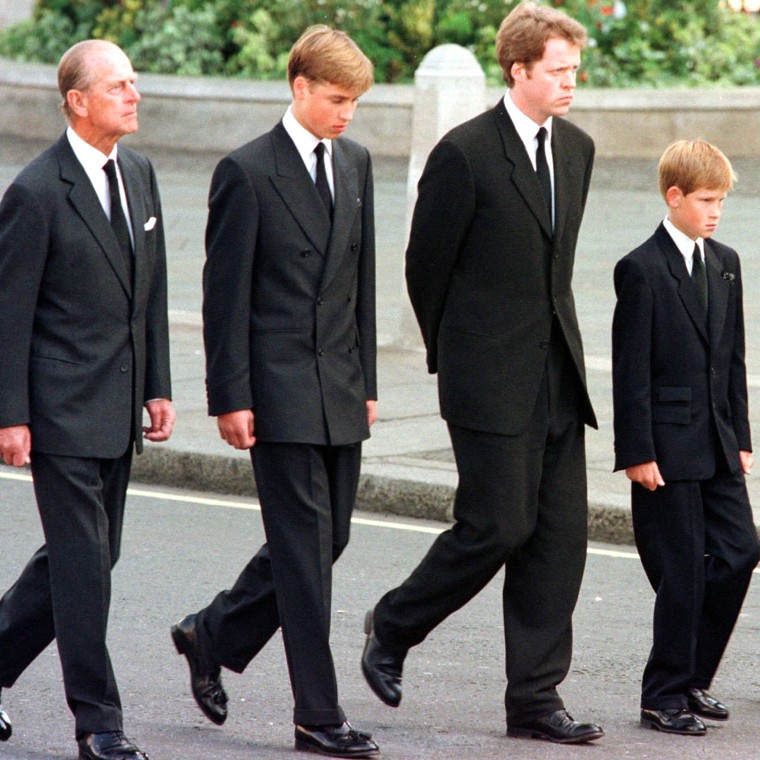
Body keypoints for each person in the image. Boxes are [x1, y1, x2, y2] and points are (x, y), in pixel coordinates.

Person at [361, 0, 603, 746]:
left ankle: (534, 701)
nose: (571, 82)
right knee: (497, 524)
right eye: (557, 70)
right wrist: (457, 355)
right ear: (519, 69)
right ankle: (393, 624)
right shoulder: (465, 153)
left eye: (574, 69)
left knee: (560, 539)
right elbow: (423, 267)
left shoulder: (578, 150)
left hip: (556, 374)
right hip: (485, 378)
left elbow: (549, 269)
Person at [170, 25, 379, 759]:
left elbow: (362, 282)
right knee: (301, 554)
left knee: (332, 538)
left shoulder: (356, 163)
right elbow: (222, 297)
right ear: (298, 87)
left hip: (341, 388)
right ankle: (316, 716)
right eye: (334, 98)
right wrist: (229, 395)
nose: (345, 112)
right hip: (277, 389)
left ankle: (213, 632)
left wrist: (371, 385)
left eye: (353, 100)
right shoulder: (247, 170)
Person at [0, 39, 174, 760]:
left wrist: (159, 383)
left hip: (119, 405)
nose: (134, 95)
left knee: (90, 559)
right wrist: (10, 413)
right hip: (60, 411)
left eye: (135, 84)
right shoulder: (36, 191)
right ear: (78, 100)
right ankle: (98, 722)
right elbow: (8, 314)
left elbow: (151, 292)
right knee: (81, 567)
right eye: (119, 86)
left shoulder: (139, 172)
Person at [611, 139, 760, 736]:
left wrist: (743, 436)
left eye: (721, 199)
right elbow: (630, 371)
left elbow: (734, 361)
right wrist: (637, 452)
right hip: (666, 449)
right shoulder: (641, 267)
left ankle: (694, 675)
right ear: (674, 197)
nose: (716, 210)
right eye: (705, 200)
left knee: (741, 551)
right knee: (682, 572)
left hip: (720, 442)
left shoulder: (726, 261)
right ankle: (663, 695)